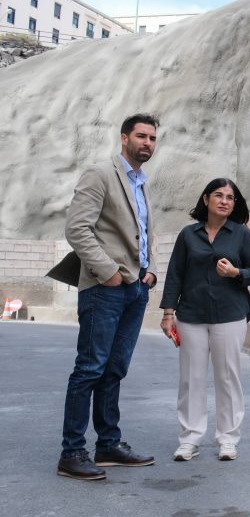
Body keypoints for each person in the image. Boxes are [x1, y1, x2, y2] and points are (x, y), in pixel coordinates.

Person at [58, 113, 160, 480]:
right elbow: (77, 229)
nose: (147, 143)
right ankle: (71, 452)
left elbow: (145, 232)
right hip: (105, 288)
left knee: (115, 369)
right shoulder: (100, 174)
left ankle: (107, 445)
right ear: (124, 139)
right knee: (90, 368)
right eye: (141, 136)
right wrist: (110, 271)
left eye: (152, 138)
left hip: (136, 288)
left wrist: (150, 269)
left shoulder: (143, 183)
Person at [160, 178, 250, 462]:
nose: (225, 201)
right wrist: (168, 313)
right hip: (191, 316)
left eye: (230, 197)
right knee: (191, 379)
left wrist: (235, 273)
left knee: (227, 378)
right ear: (206, 200)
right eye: (219, 195)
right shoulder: (188, 235)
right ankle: (190, 438)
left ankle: (227, 439)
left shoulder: (241, 234)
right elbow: (175, 275)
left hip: (230, 315)